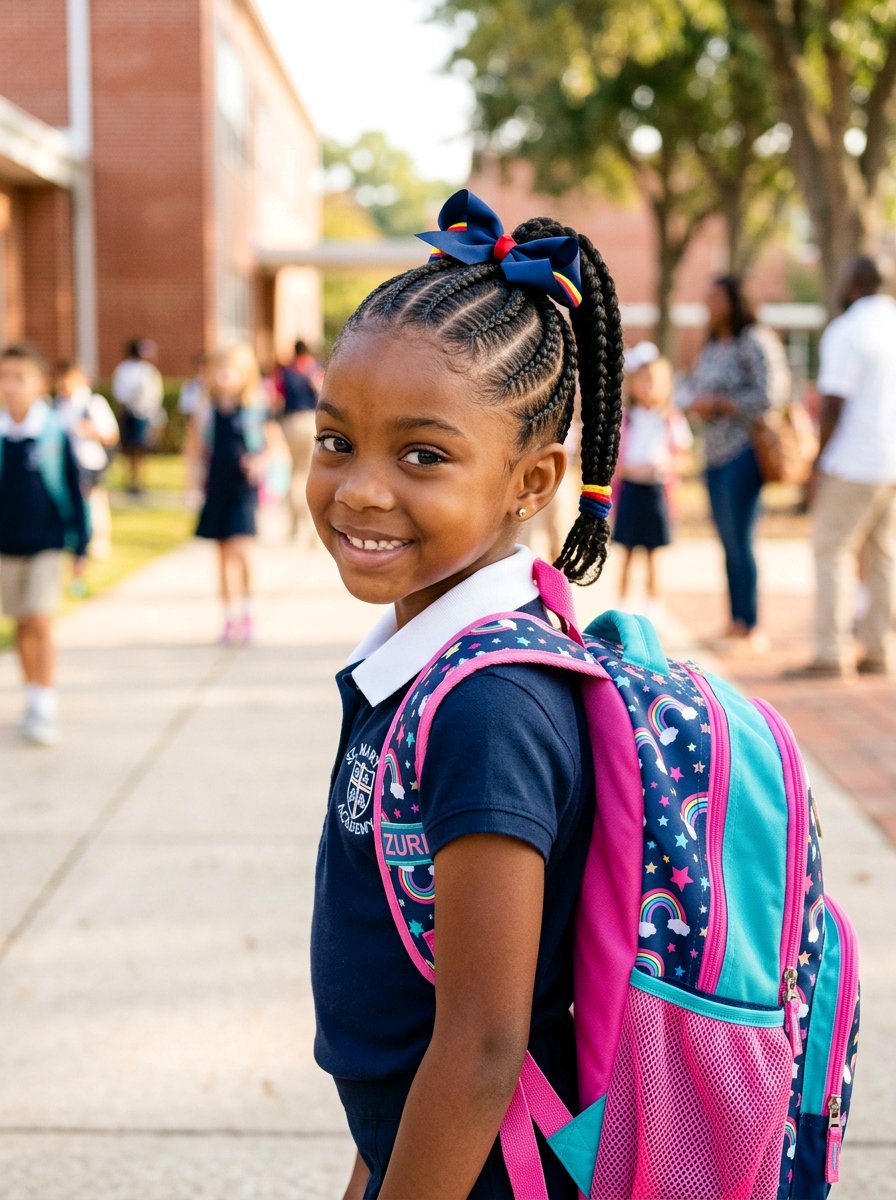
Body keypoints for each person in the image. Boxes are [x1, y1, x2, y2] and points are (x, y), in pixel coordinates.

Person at [307, 191, 623, 1200]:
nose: (359, 487)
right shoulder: (417, 661)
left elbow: (482, 1049)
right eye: (333, 439)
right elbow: (416, 990)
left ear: (531, 483)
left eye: (422, 455)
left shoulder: (491, 708)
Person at [788, 256, 896, 678]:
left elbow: (833, 404)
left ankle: (831, 653)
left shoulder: (848, 329)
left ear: (854, 285)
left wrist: (817, 464)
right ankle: (878, 649)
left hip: (854, 460)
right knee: (884, 554)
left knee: (832, 549)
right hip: (891, 461)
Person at [684, 275, 790, 650]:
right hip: (712, 455)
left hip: (743, 453)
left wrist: (722, 404)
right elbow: (694, 386)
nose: (708, 305)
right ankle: (735, 621)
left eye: (715, 298)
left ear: (732, 300)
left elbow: (771, 395)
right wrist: (696, 401)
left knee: (742, 539)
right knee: (726, 541)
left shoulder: (755, 341)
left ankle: (753, 624)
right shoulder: (712, 346)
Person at [0, 344, 90, 745]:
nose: (9, 386)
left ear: (39, 384)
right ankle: (32, 693)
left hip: (46, 542)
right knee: (20, 620)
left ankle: (46, 701)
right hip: (7, 544)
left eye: (19, 377)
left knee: (40, 618)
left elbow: (74, 489)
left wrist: (81, 545)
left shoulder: (52, 432)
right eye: (4, 377)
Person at [188, 343, 271, 645]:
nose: (224, 375)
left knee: (241, 551)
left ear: (245, 375)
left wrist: (258, 462)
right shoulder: (206, 411)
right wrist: (192, 487)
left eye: (231, 370)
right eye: (219, 369)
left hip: (242, 490)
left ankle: (248, 612)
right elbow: (195, 450)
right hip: (217, 488)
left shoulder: (253, 409)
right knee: (222, 555)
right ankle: (228, 616)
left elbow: (271, 446)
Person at [613, 341, 692, 619]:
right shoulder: (625, 419)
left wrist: (667, 466)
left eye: (656, 382)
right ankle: (622, 603)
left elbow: (685, 455)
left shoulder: (670, 419)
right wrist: (627, 471)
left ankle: (653, 607)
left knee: (653, 553)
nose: (650, 388)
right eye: (644, 381)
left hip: (657, 490)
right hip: (631, 490)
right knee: (626, 550)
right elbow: (614, 460)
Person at [53, 361, 119, 560]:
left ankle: (99, 542)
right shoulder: (58, 404)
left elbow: (111, 435)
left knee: (94, 502)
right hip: (67, 461)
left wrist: (89, 430)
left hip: (90, 460)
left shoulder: (93, 402)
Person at [270, 338, 323, 542]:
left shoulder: (285, 372)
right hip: (310, 422)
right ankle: (308, 527)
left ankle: (295, 526)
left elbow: (277, 400)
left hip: (290, 423)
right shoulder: (315, 369)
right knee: (306, 474)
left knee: (294, 476)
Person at [111, 338, 164, 495]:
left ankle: (137, 481)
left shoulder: (142, 370)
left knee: (138, 448)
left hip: (141, 413)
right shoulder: (137, 370)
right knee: (132, 448)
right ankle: (133, 480)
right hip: (132, 413)